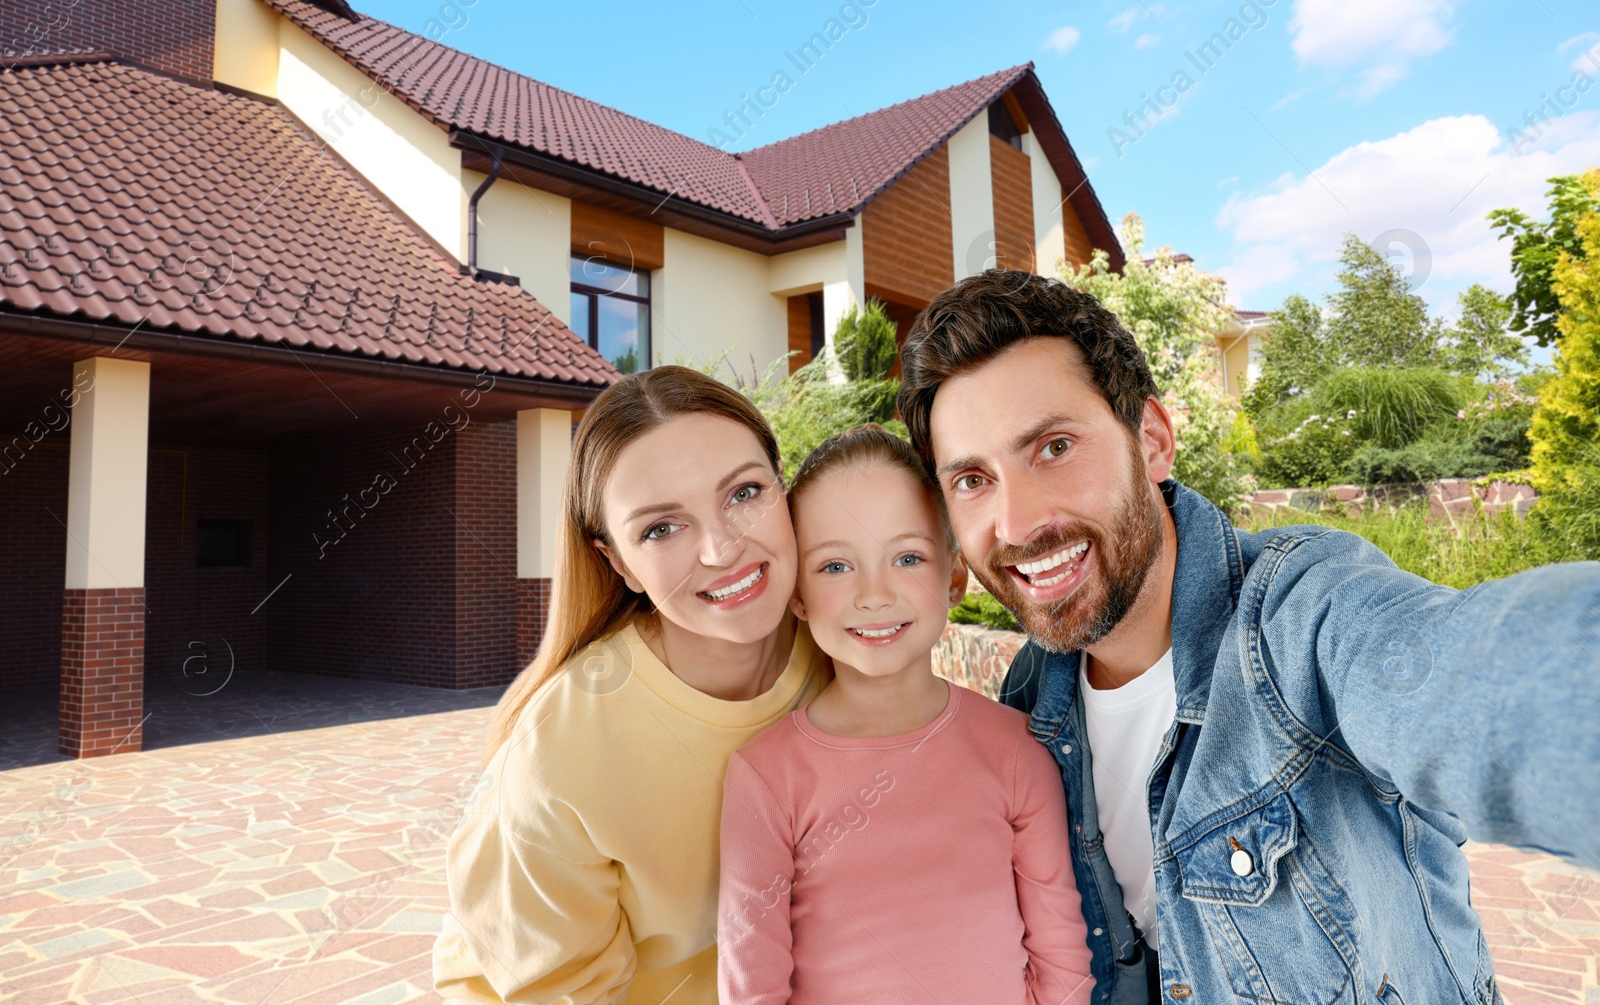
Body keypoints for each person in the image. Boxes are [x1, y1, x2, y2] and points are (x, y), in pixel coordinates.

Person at [896, 269, 1600, 1004]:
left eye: (1053, 448)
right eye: (972, 480)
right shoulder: (1033, 700)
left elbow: (1479, 680)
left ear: (1152, 441)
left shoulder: (1303, 621)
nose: (1016, 523)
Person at [432, 366, 830, 1005]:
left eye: (744, 493)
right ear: (619, 562)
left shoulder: (845, 649)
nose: (721, 549)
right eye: (661, 529)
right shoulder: (562, 748)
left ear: (784, 491)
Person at [717, 424, 1095, 1005]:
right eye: (835, 566)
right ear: (797, 594)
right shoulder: (765, 777)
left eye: (907, 557)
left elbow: (1061, 958)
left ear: (954, 577)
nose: (874, 593)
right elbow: (753, 986)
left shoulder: (1017, 750)